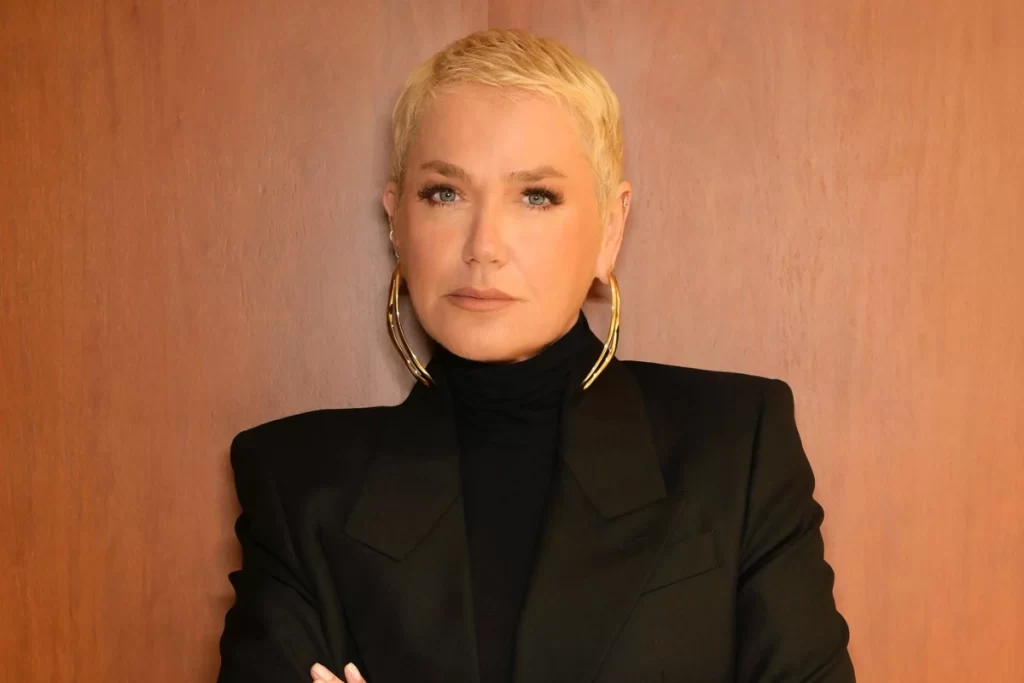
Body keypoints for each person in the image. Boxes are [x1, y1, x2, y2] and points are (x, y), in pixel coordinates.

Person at [217, 28, 855, 683]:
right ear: (396, 222)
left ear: (610, 229)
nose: (484, 245)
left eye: (536, 196)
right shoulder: (297, 484)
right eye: (444, 193)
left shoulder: (735, 447)